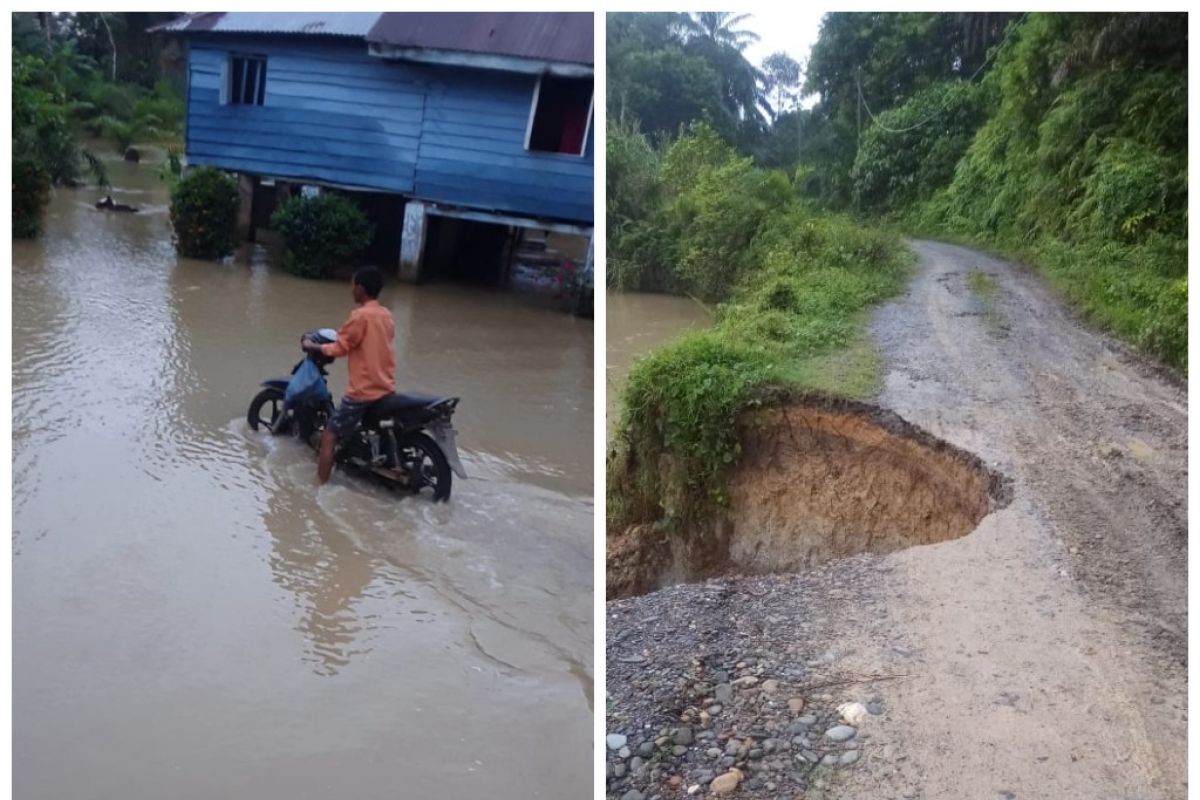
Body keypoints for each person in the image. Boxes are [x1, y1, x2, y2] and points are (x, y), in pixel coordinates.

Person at [301, 267, 396, 484]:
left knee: (329, 436)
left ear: (361, 288)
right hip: (385, 387)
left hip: (363, 391)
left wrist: (314, 347)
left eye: (353, 285)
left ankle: (317, 487)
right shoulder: (386, 315)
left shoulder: (360, 316)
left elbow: (340, 347)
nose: (351, 290)